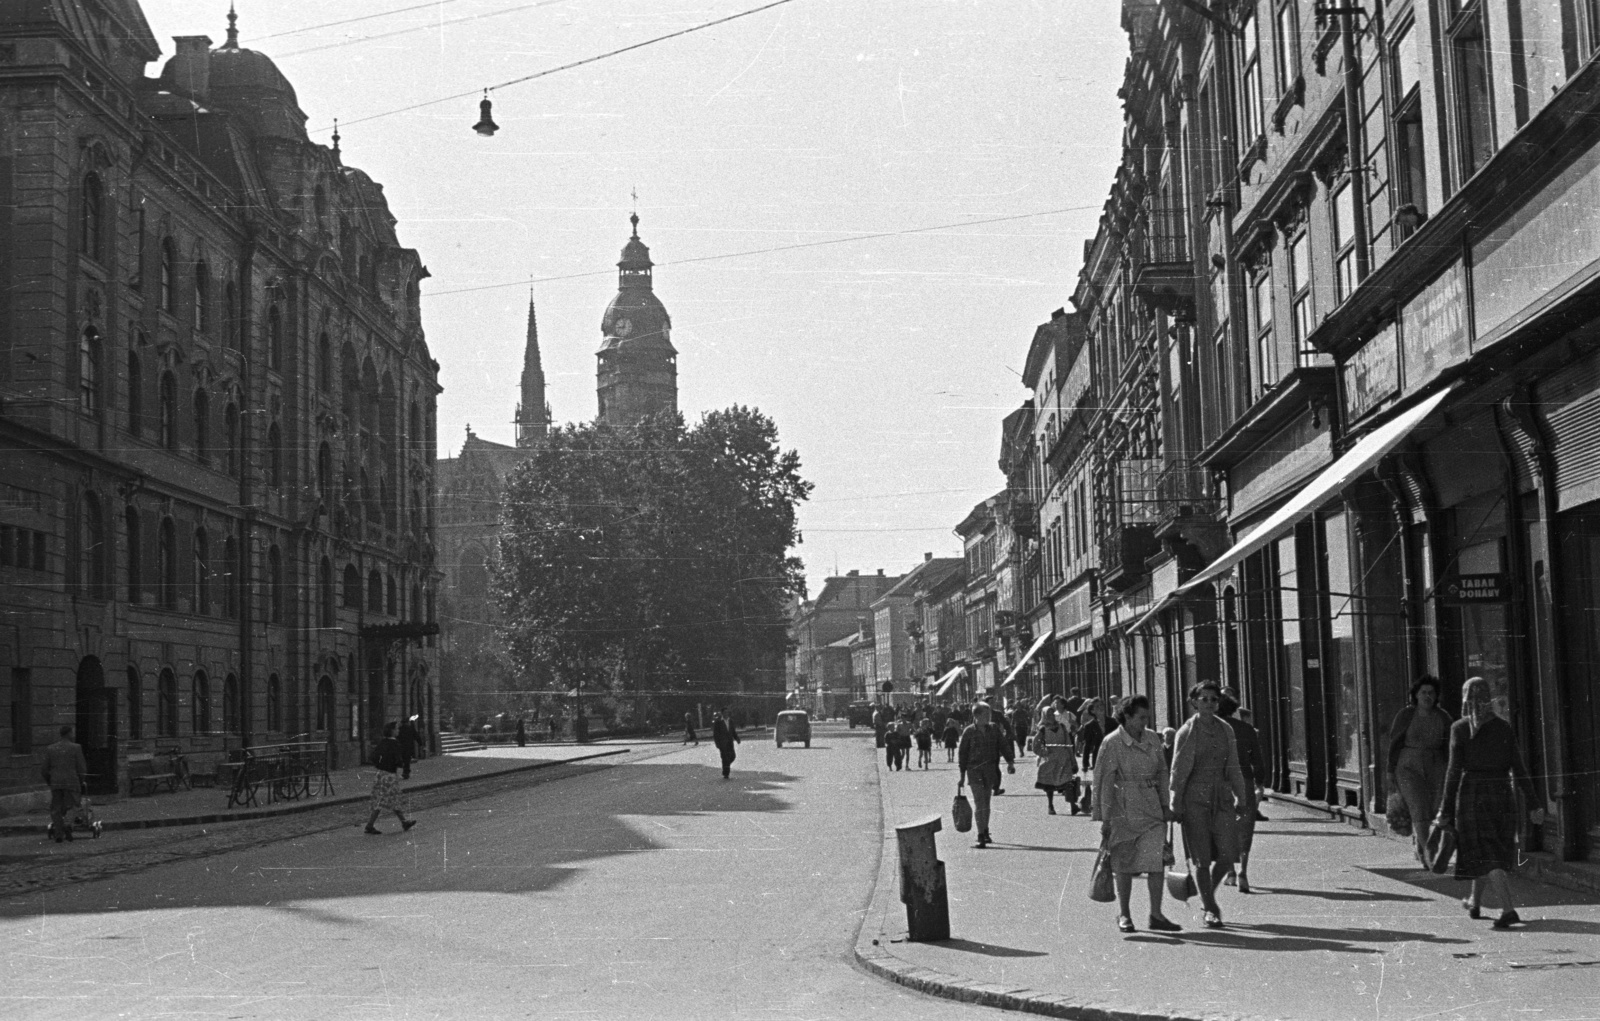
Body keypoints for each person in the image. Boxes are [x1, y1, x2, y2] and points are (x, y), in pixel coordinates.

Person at [1436, 677, 1543, 929]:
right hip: (1503, 795)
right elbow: (1519, 768)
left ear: (1465, 698)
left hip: (1473, 795)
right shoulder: (1503, 727)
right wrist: (1534, 804)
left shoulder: (1459, 728)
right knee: (1488, 850)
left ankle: (1508, 910)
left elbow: (1453, 773)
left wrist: (1445, 810)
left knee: (1488, 853)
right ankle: (1475, 902)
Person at [1095, 695, 1180, 934]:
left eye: (1147, 717)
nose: (1145, 722)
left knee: (1155, 862)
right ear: (1127, 716)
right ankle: (1125, 914)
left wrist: (1166, 805)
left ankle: (1156, 914)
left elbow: (1163, 772)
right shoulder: (1112, 742)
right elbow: (1104, 781)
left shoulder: (1153, 738)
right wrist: (1106, 818)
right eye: (1141, 717)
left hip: (1151, 806)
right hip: (1123, 808)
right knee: (1123, 863)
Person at [1169, 681, 1249, 929]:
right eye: (1203, 699)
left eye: (1213, 699)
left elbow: (1234, 764)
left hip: (1222, 796)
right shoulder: (1187, 731)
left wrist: (1241, 796)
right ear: (1194, 702)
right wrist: (1176, 803)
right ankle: (1210, 908)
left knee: (1227, 855)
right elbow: (1178, 771)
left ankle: (1207, 895)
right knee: (1201, 858)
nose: (1209, 703)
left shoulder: (1225, 729)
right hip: (1195, 799)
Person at [1387, 675, 1453, 868]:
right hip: (1408, 766)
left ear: (1436, 696)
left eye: (1431, 693)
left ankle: (1420, 842)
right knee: (1419, 807)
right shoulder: (1406, 715)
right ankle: (1428, 854)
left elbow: (1450, 744)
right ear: (1415, 695)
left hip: (1435, 766)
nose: (1427, 696)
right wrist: (1390, 771)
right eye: (1423, 692)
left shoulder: (1443, 717)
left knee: (1433, 808)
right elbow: (1395, 743)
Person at [1218, 693, 1267, 892]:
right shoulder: (1246, 729)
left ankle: (1229, 871)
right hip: (1245, 781)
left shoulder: (1212, 729)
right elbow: (1258, 759)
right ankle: (1243, 873)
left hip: (1220, 783)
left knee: (1223, 827)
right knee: (1245, 828)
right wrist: (1260, 783)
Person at [957, 702, 1015, 848]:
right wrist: (962, 775)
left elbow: (1003, 745)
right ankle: (980, 835)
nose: (989, 717)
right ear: (976, 716)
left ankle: (985, 829)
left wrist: (1010, 762)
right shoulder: (969, 732)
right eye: (985, 715)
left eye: (989, 715)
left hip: (990, 769)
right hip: (974, 770)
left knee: (986, 802)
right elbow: (962, 754)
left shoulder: (994, 729)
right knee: (979, 802)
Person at [366, 722, 418, 835]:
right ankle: (370, 825)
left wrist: (381, 764)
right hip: (389, 775)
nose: (398, 731)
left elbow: (373, 757)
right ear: (392, 731)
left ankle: (404, 822)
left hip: (380, 774)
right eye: (396, 729)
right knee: (388, 800)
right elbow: (399, 761)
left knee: (388, 799)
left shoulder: (382, 742)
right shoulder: (395, 744)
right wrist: (398, 764)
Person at [41, 725, 89, 843]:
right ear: (69, 734)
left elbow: (44, 770)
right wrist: (81, 779)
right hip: (72, 781)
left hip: (56, 782)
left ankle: (58, 833)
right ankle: (67, 824)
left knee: (56, 809)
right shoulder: (76, 747)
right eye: (72, 733)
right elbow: (82, 768)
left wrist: (50, 781)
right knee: (74, 805)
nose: (73, 735)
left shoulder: (50, 749)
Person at [1032, 707, 1079, 814]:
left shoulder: (1062, 727)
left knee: (1068, 782)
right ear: (1044, 716)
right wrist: (1043, 753)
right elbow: (1035, 746)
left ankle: (1073, 806)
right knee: (1049, 784)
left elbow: (1068, 744)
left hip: (1064, 759)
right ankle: (1050, 806)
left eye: (1052, 714)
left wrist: (1073, 760)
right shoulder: (1043, 729)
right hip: (1050, 761)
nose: (1051, 716)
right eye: (1048, 714)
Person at [712, 708, 741, 779]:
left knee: (733, 756)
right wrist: (717, 744)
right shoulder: (718, 722)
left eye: (727, 713)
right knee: (725, 758)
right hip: (722, 743)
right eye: (725, 713)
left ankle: (725, 767)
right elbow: (715, 734)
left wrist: (737, 738)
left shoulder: (730, 721)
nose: (726, 714)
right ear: (722, 714)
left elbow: (733, 731)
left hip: (730, 743)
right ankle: (726, 773)